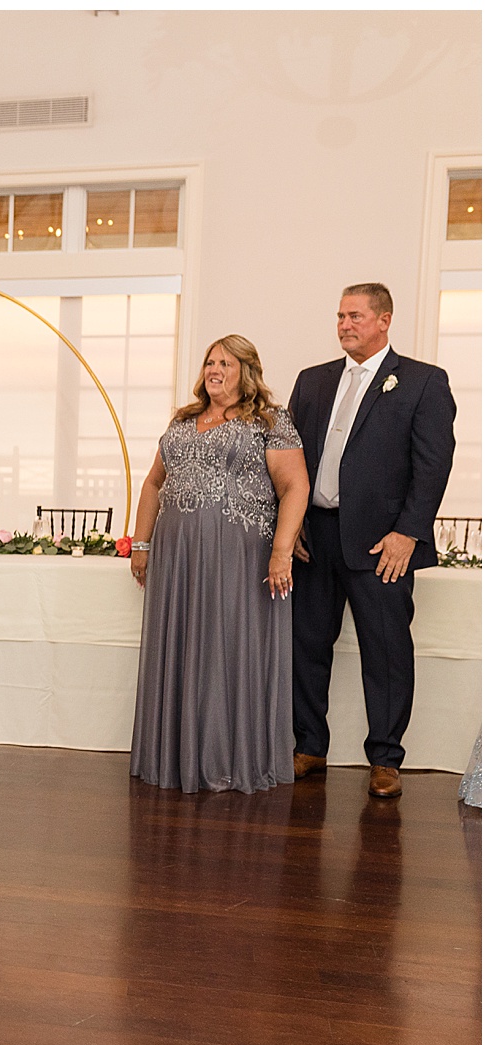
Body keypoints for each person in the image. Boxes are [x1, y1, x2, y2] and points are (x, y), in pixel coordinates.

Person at [289, 284, 456, 800]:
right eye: (340, 315)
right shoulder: (312, 381)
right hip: (314, 538)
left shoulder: (423, 382)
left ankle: (385, 758)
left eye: (355, 316)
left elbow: (433, 465)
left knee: (384, 652)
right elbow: (288, 460)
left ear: (384, 320)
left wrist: (407, 533)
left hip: (382, 545)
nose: (344, 324)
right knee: (305, 646)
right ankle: (309, 747)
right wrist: (289, 526)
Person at [128, 335, 310, 793]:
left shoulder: (270, 421)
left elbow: (295, 487)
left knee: (228, 645)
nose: (215, 369)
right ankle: (175, 755)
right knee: (186, 643)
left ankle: (229, 758)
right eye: (210, 361)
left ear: (246, 370)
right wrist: (142, 544)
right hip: (178, 555)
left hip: (240, 554)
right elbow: (153, 483)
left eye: (226, 363)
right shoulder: (183, 420)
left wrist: (281, 551)